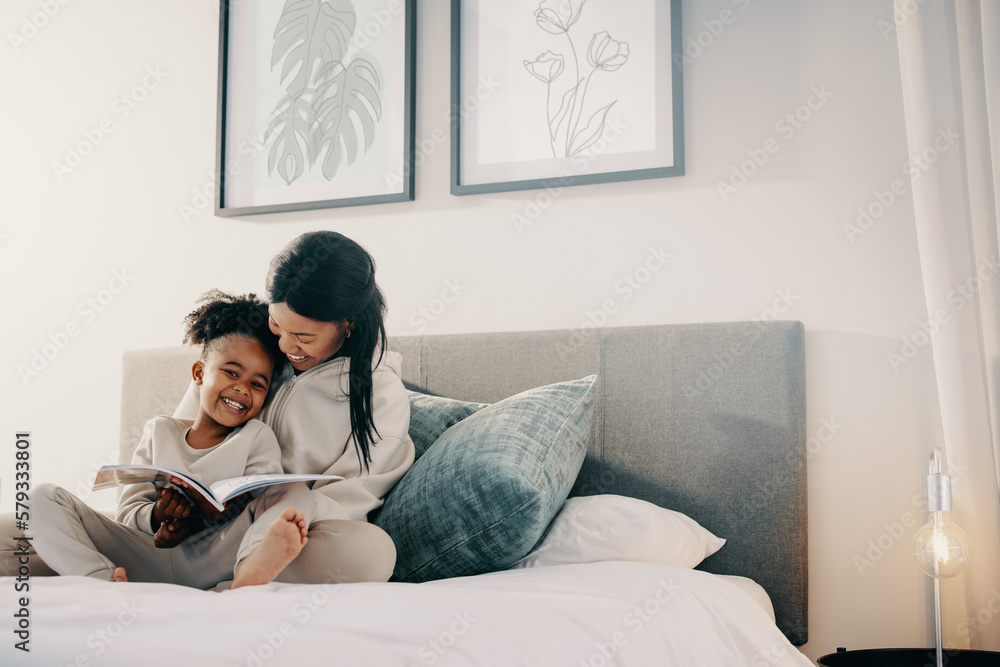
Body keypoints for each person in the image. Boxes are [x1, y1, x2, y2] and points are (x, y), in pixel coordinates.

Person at [172, 231, 415, 584]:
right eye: (277, 325)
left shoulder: (380, 394)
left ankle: (237, 575)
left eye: (304, 337)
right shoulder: (245, 348)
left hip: (284, 535)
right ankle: (211, 575)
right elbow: (184, 433)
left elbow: (352, 496)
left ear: (348, 323)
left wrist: (274, 516)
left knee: (371, 551)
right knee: (68, 508)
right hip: (197, 524)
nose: (286, 345)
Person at [30, 291, 314, 589]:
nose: (243, 389)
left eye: (257, 384)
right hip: (145, 554)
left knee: (294, 492)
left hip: (216, 553)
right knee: (41, 498)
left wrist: (211, 513)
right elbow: (127, 513)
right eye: (232, 372)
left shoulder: (255, 436)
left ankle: (251, 568)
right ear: (200, 374)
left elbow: (258, 495)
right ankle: (102, 581)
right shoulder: (159, 432)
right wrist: (157, 515)